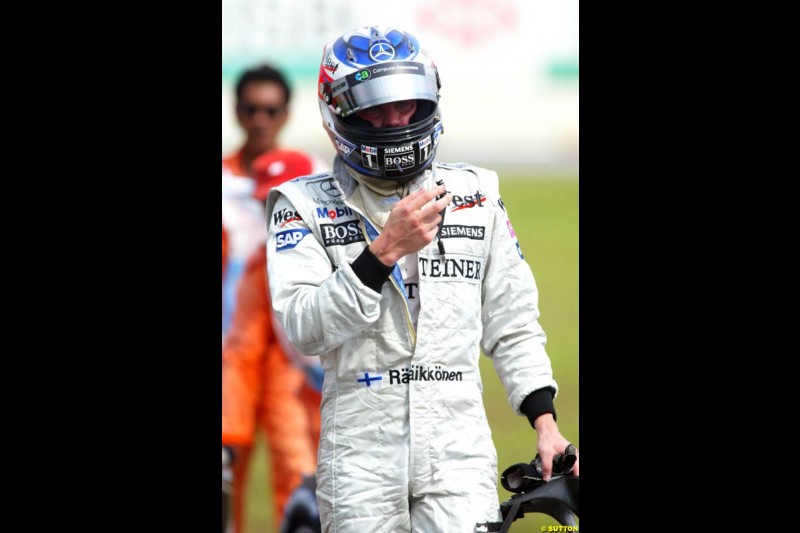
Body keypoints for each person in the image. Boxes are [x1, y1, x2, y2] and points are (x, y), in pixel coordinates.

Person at [264, 25, 579, 532]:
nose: (394, 120)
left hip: (459, 451)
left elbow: (512, 320)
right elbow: (303, 327)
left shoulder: (476, 195)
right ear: (336, 115)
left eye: (406, 104)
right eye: (375, 108)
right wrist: (382, 252)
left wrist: (547, 426)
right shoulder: (301, 205)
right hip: (359, 457)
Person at [222, 65, 326, 533]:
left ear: (285, 113)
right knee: (224, 474)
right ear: (236, 110)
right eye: (251, 109)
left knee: (298, 470)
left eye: (270, 109)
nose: (260, 119)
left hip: (293, 348)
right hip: (232, 348)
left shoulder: (315, 175)